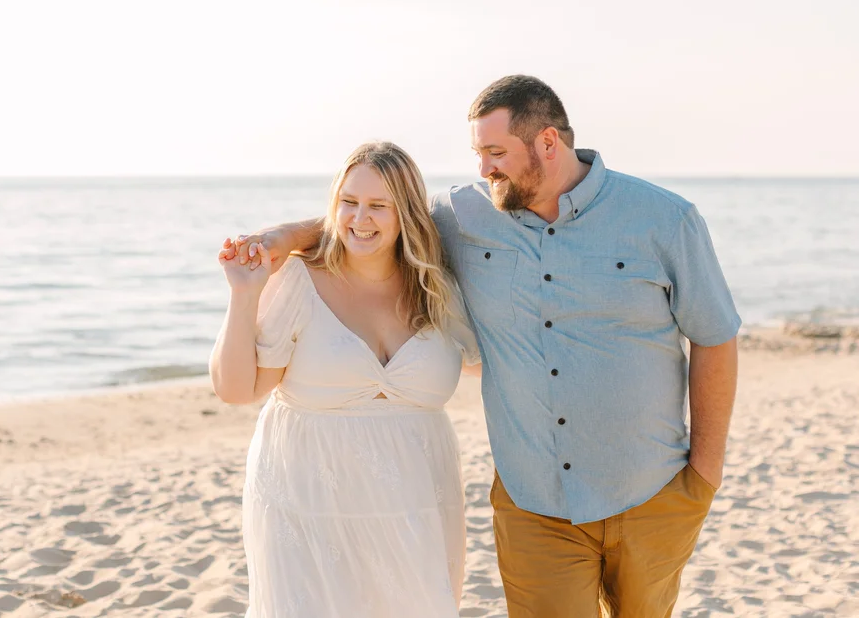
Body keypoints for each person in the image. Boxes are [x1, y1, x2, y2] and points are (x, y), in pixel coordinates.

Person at [233, 75, 741, 617]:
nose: (484, 169)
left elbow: (714, 338)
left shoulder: (664, 219)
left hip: (652, 492)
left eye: (496, 152)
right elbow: (373, 215)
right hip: (535, 505)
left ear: (548, 143)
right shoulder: (463, 214)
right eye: (478, 153)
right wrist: (283, 239)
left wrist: (704, 472)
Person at [209, 141, 481, 618]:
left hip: (416, 505)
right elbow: (237, 389)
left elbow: (494, 363)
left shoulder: (438, 287)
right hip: (306, 502)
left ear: (407, 214)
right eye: (348, 203)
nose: (360, 219)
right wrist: (244, 295)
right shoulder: (301, 279)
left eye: (379, 206)